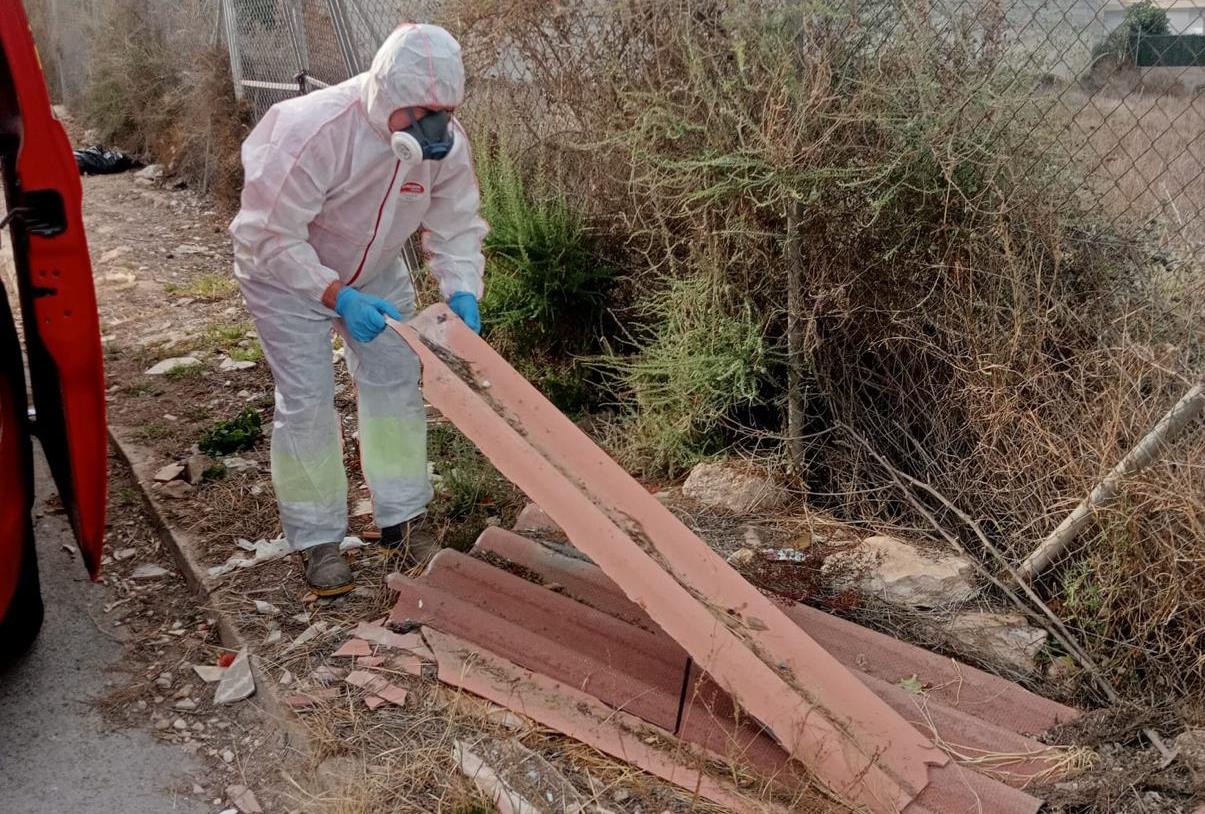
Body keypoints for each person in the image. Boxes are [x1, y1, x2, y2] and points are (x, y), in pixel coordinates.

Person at [229, 24, 487, 597]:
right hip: (285, 275)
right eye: (420, 111)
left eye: (444, 112)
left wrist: (463, 288)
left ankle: (403, 517)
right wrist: (335, 295)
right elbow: (268, 235)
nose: (432, 126)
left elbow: (457, 225)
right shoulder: (312, 129)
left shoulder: (445, 146)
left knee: (395, 380)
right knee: (307, 401)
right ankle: (317, 537)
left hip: (374, 271)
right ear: (386, 94)